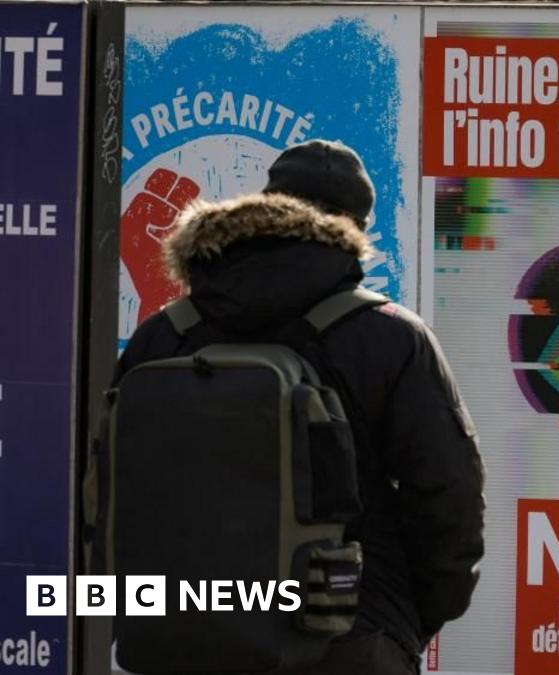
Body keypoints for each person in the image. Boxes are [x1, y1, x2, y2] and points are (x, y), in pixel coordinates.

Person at [114, 140, 485, 675]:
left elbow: (106, 493)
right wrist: (400, 620)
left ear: (266, 207)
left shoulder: (164, 336)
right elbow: (450, 503)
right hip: (346, 637)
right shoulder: (390, 338)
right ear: (350, 228)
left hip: (183, 637)